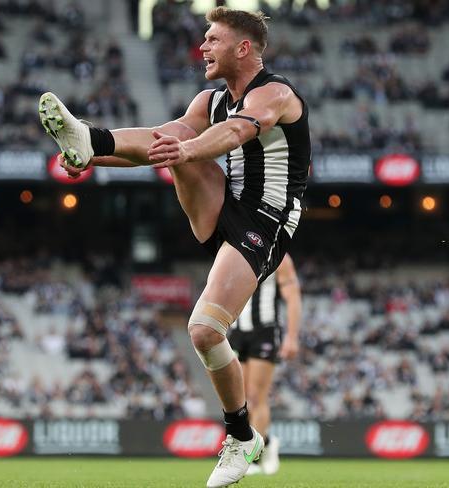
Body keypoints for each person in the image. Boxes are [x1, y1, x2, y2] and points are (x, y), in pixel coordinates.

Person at [39, 7, 310, 487]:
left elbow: (237, 132)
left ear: (243, 48)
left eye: (212, 39)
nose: (202, 47)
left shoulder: (276, 93)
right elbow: (162, 143)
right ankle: (88, 135)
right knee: (176, 134)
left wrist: (186, 150)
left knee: (204, 331)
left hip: (267, 224)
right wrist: (93, 157)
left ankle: (241, 436)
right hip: (222, 206)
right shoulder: (210, 100)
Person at [228, 253, 301, 476]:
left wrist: (291, 337)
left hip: (265, 332)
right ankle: (267, 442)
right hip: (238, 331)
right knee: (240, 399)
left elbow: (293, 297)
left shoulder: (281, 258)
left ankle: (253, 459)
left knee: (256, 396)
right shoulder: (235, 250)